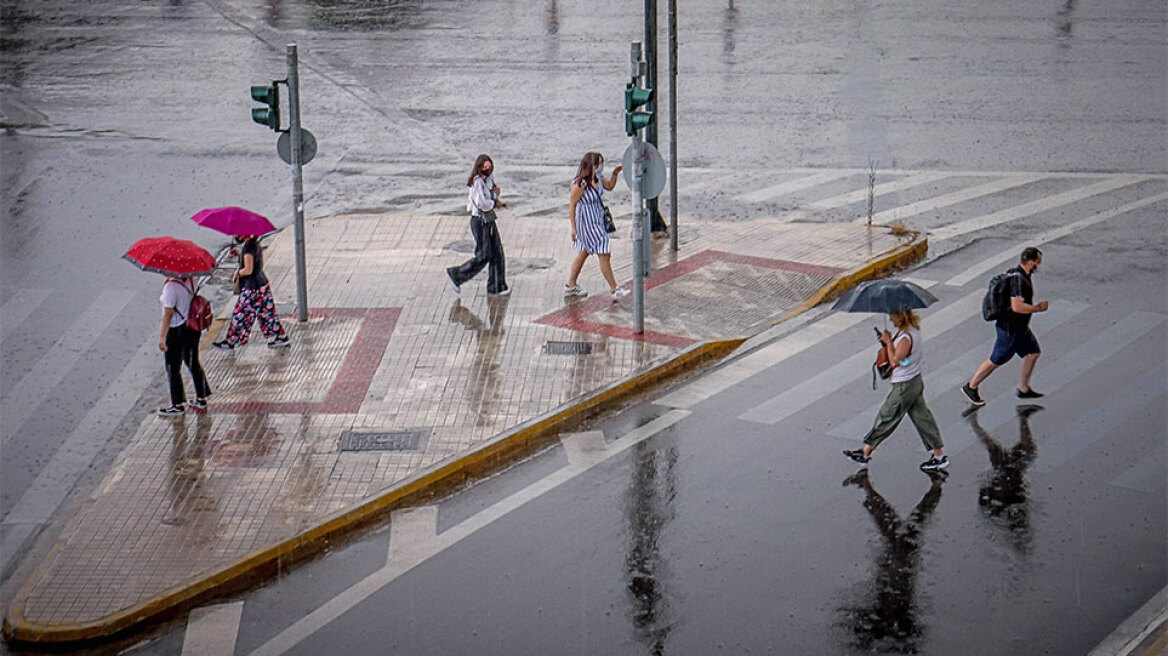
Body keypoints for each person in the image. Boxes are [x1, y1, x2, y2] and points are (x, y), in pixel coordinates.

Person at [844, 309, 948, 471]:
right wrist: (888, 342)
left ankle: (865, 453)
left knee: (886, 417)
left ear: (901, 316)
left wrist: (889, 342)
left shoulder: (906, 337)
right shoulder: (913, 331)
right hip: (914, 381)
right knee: (923, 418)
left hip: (904, 386)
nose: (891, 320)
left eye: (893, 317)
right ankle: (939, 456)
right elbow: (905, 359)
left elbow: (896, 361)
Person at [961, 247, 1048, 406]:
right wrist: (1038, 308)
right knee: (996, 360)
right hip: (1010, 330)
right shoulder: (1019, 281)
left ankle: (1023, 388)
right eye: (1037, 262)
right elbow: (1017, 307)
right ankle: (971, 386)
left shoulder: (1016, 273)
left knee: (1033, 353)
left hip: (1019, 328)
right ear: (1030, 262)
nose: (1038, 266)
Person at [563, 151, 628, 301]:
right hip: (586, 223)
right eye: (598, 164)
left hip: (597, 219)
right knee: (604, 253)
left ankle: (570, 285)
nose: (600, 167)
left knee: (584, 251)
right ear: (591, 165)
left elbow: (609, 186)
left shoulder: (598, 178)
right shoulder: (580, 184)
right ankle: (614, 288)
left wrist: (615, 174)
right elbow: (572, 205)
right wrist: (573, 228)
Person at [212, 235, 290, 351]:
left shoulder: (248, 249)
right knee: (266, 313)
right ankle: (281, 336)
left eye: (239, 233)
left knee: (240, 314)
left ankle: (231, 341)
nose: (236, 236)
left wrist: (237, 273)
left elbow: (248, 270)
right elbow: (252, 262)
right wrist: (239, 256)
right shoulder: (254, 245)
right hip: (262, 285)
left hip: (252, 289)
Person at [447, 154, 509, 296]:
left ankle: (497, 286)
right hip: (481, 222)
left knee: (497, 253)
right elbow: (482, 203)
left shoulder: (487, 181)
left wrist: (496, 194)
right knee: (484, 255)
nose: (487, 170)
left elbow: (490, 196)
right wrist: (495, 203)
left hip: (488, 220)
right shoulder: (477, 183)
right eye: (485, 168)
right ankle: (457, 275)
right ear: (479, 167)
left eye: (489, 167)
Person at [158, 276, 211, 415]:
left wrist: (162, 337)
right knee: (192, 361)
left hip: (176, 329)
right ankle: (201, 396)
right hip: (192, 327)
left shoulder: (171, 287)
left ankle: (177, 403)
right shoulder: (191, 281)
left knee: (173, 367)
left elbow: (168, 314)